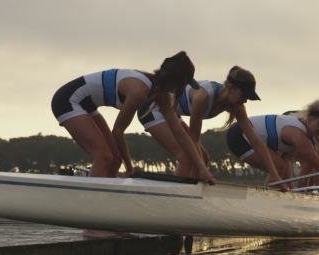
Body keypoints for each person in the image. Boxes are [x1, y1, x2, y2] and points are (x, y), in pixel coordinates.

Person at [50, 51, 215, 184]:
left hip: (87, 105)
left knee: (115, 160)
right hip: (68, 100)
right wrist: (130, 167)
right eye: (183, 84)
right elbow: (118, 132)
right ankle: (93, 208)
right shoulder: (139, 90)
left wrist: (202, 169)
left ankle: (109, 207)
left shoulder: (163, 97)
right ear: (175, 81)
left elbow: (180, 135)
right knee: (104, 156)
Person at [137, 66, 283, 187]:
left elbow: (256, 142)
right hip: (153, 108)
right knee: (186, 154)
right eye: (244, 95)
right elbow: (193, 139)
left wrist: (275, 175)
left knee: (204, 159)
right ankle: (181, 196)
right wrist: (204, 173)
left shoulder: (238, 108)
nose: (245, 100)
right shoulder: (203, 97)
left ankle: (192, 193)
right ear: (231, 88)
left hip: (171, 112)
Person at [226, 99, 319, 198]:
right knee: (279, 167)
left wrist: (291, 190)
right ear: (310, 120)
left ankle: (267, 199)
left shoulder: (303, 131)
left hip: (246, 136)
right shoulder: (298, 134)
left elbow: (286, 160)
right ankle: (263, 200)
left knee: (281, 166)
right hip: (239, 135)